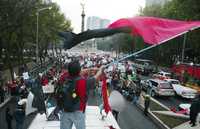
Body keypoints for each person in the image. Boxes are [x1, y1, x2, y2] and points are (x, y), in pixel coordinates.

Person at [60, 60, 104, 129]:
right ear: (79, 70)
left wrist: (91, 69)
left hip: (65, 110)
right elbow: (95, 77)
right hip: (78, 111)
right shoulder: (83, 81)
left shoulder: (63, 77)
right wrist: (101, 69)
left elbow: (80, 72)